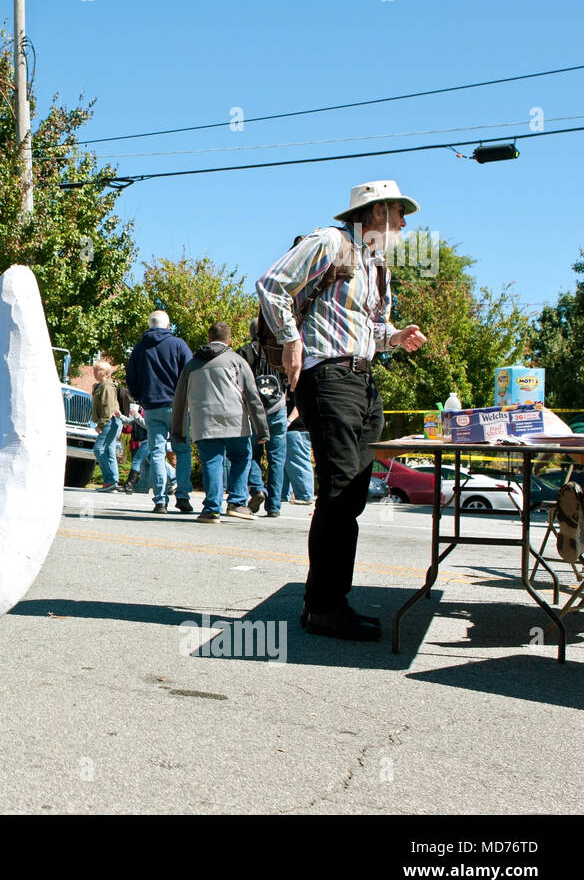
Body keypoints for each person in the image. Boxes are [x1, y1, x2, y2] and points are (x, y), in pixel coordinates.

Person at [257, 180, 428, 641]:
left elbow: (373, 327)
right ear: (372, 215)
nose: (404, 224)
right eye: (397, 214)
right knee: (337, 492)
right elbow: (271, 285)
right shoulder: (330, 242)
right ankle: (325, 606)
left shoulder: (379, 266)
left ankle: (326, 601)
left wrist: (396, 337)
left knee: (352, 494)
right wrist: (292, 340)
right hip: (329, 376)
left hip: (363, 380)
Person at [171, 321, 268, 523]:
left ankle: (211, 509)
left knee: (211, 462)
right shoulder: (236, 361)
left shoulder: (191, 365)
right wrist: (262, 429)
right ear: (229, 340)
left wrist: (179, 432)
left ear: (208, 338)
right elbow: (252, 396)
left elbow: (180, 401)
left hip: (203, 422)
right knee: (241, 457)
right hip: (235, 420)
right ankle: (237, 503)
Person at [126, 310, 194, 514]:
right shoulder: (178, 344)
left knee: (157, 452)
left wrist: (140, 398)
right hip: (177, 406)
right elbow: (191, 371)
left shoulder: (140, 348)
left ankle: (160, 500)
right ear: (168, 326)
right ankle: (182, 496)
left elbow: (132, 378)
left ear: (149, 325)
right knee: (182, 450)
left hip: (152, 407)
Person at [238, 318, 288, 517]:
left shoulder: (245, 352)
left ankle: (257, 488)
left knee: (252, 453)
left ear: (251, 332)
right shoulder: (280, 350)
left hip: (253, 412)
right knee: (277, 458)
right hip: (277, 409)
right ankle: (274, 506)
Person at [90, 361, 123, 492]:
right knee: (109, 451)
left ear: (103, 372)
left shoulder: (107, 387)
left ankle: (109, 480)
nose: (94, 373)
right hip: (111, 422)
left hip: (109, 422)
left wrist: (101, 425)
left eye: (96, 370)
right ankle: (112, 482)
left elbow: (108, 408)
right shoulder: (101, 386)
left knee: (98, 449)